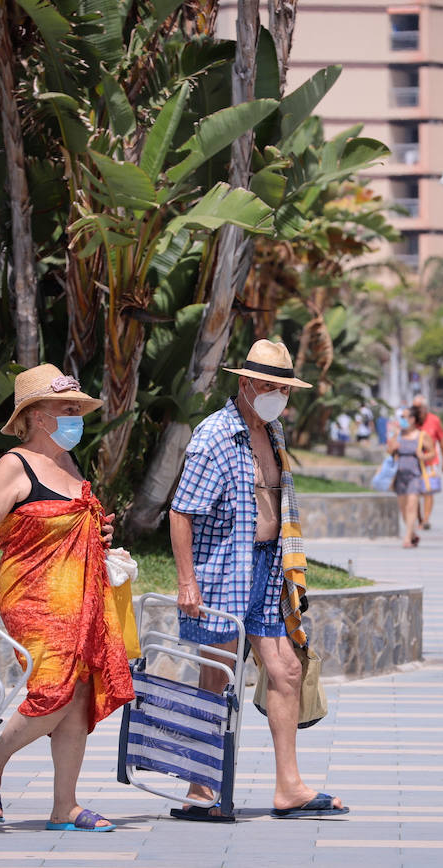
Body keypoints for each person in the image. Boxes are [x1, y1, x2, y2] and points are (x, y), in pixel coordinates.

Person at [170, 339, 348, 822]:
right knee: (216, 678)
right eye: (269, 386)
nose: (277, 395)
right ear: (245, 383)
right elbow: (181, 513)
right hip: (223, 569)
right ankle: (200, 789)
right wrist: (187, 583)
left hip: (269, 568)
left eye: (283, 388)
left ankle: (288, 787)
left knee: (286, 669)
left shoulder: (272, 431)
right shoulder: (214, 436)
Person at [0, 364, 132, 828]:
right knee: (53, 693)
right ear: (37, 415)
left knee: (77, 699)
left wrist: (97, 531)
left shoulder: (70, 465)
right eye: (66, 408)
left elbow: (64, 524)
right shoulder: (13, 465)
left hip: (82, 598)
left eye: (78, 408)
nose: (76, 415)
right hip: (35, 600)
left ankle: (65, 807)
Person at [388, 406, 436, 547]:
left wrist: (423, 455)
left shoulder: (422, 435)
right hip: (399, 475)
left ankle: (407, 538)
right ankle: (412, 532)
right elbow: (389, 451)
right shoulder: (397, 434)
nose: (402, 420)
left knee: (412, 506)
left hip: (415, 475)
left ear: (413, 419)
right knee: (403, 508)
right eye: (401, 417)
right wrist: (393, 448)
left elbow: (432, 452)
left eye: (405, 417)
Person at [413, 395, 443, 528]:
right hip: (413, 463)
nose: (416, 411)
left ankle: (426, 519)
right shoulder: (411, 421)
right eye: (414, 408)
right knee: (414, 492)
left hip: (431, 462)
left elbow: (441, 441)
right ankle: (419, 518)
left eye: (418, 408)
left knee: (428, 490)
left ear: (425, 408)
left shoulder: (434, 420)